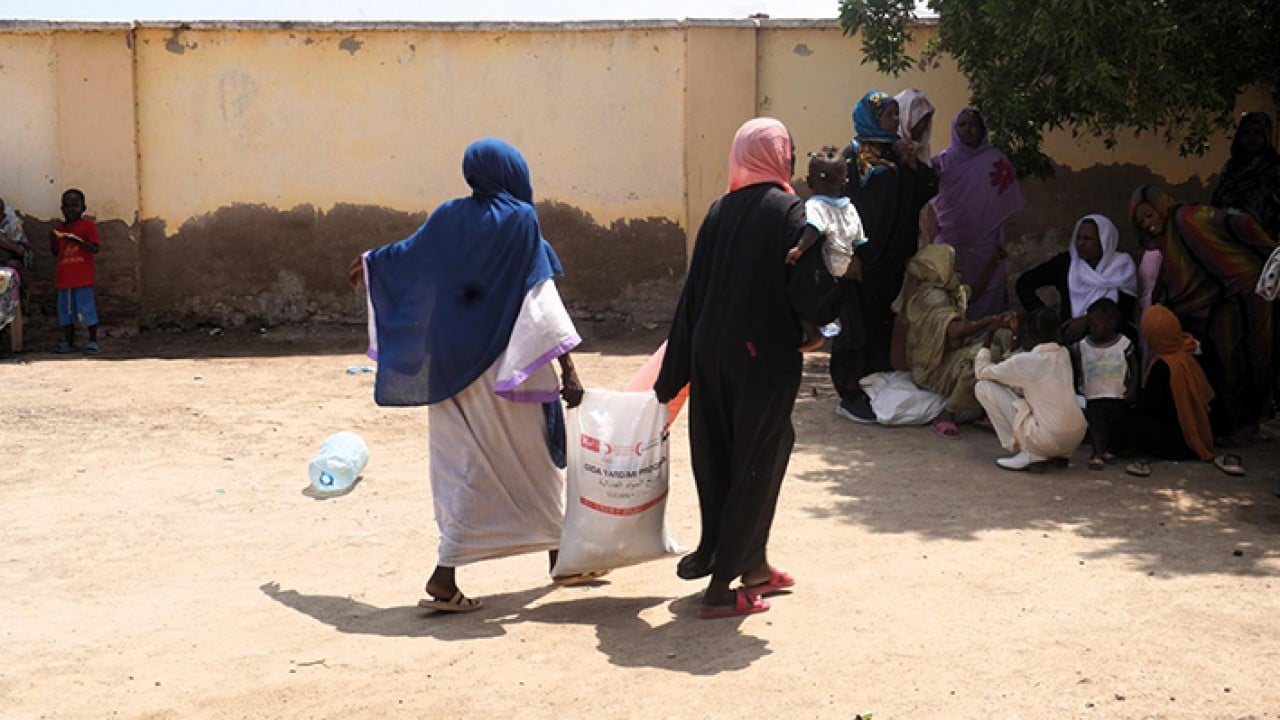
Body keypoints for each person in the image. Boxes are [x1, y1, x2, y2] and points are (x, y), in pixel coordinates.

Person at [352, 138, 587, 613]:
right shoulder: (522, 220)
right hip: (512, 364)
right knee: (535, 461)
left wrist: (370, 265)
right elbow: (538, 295)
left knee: (465, 464)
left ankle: (554, 557)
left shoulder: (447, 217)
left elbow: (408, 255)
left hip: (452, 366)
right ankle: (458, 571)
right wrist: (568, 367)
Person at [655, 117, 808, 620]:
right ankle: (721, 588)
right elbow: (804, 286)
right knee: (755, 460)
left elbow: (692, 293)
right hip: (762, 357)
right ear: (779, 156)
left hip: (711, 354)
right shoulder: (789, 211)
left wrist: (674, 372)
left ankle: (755, 564)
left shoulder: (719, 210)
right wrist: (818, 325)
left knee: (740, 452)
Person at [1129, 184, 1276, 444]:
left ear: (1161, 206)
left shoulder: (1187, 219)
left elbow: (1237, 224)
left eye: (1149, 215)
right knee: (1225, 360)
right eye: (1141, 221)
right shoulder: (1168, 240)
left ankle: (1245, 426)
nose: (1148, 224)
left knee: (1247, 359)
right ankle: (1230, 424)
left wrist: (1270, 252)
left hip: (1246, 292)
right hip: (1221, 301)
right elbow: (1181, 281)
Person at [832, 90, 939, 421]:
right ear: (872, 117)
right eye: (889, 116)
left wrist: (913, 163)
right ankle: (848, 392)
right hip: (862, 261)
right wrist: (846, 254)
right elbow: (835, 207)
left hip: (894, 260)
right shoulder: (852, 157)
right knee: (855, 326)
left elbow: (929, 189)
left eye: (896, 115)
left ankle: (874, 386)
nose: (896, 121)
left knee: (882, 322)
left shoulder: (897, 154)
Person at [890, 244, 1015, 439]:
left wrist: (993, 263)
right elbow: (955, 331)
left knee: (1005, 338)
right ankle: (947, 414)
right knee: (978, 358)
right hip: (932, 370)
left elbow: (975, 292)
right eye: (953, 264)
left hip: (949, 357)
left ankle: (987, 407)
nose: (958, 268)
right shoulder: (930, 297)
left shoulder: (951, 291)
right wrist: (991, 321)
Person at [1113, 305, 1244, 477]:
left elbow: (1150, 407)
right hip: (1206, 430)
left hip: (1182, 442)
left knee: (1124, 420)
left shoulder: (1164, 366)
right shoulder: (1191, 346)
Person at [925, 108, 1025, 319]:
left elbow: (1005, 201)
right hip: (950, 243)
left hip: (986, 243)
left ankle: (990, 341)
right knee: (949, 293)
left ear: (983, 130)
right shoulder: (940, 163)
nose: (968, 130)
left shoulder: (995, 160)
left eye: (973, 125)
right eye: (962, 125)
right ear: (954, 128)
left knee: (989, 292)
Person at [974, 307, 1087, 471]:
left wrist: (990, 333)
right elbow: (1019, 375)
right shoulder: (1063, 354)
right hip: (1075, 436)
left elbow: (981, 372)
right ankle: (1058, 455)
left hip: (1048, 438)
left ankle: (1031, 453)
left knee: (983, 387)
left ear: (1029, 335)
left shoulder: (1027, 361)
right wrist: (1018, 337)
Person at [786, 146, 865, 349]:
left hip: (822, 270)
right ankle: (828, 325)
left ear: (810, 183)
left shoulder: (815, 206)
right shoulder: (850, 208)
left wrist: (799, 249)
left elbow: (813, 230)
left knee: (796, 298)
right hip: (843, 273)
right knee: (831, 305)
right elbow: (859, 239)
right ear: (845, 182)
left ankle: (813, 334)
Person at [1016, 214, 1137, 343]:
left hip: (1114, 344)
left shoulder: (1121, 266)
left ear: (1104, 241)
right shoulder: (1066, 263)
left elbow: (1125, 311)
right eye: (1078, 238)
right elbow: (1024, 283)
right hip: (1071, 343)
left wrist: (1088, 320)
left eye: (1087, 239)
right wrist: (1046, 317)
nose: (1080, 243)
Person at [1071, 298, 1137, 470]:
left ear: (1111, 323)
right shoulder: (1083, 345)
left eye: (1095, 325)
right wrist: (1079, 387)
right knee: (1096, 425)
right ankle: (1096, 453)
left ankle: (1106, 450)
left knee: (1113, 424)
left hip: (1117, 393)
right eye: (1090, 325)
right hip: (1093, 394)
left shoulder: (1124, 344)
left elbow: (1134, 368)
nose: (1091, 329)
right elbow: (1078, 367)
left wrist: (1132, 387)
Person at [1211, 111, 1279, 240]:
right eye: (1246, 133)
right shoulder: (1232, 167)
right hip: (1225, 233)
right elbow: (1218, 200)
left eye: (1257, 133)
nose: (1251, 138)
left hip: (1259, 239)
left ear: (1266, 136)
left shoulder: (1275, 167)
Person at [48, 189, 101, 354]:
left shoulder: (88, 227)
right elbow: (57, 253)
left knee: (87, 310)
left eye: (75, 206)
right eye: (67, 206)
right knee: (66, 312)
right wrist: (53, 241)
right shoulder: (59, 228)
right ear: (62, 208)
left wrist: (76, 241)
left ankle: (92, 340)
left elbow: (94, 248)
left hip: (82, 279)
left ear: (83, 208)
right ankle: (68, 342)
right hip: (64, 280)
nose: (71, 210)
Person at [0, 198, 28, 353]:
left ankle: (5, 339)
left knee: (7, 281)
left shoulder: (12, 225)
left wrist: (9, 247)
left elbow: (25, 251)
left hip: (6, 267)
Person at [894, 88, 935, 169]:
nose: (922, 126)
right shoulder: (889, 151)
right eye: (918, 121)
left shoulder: (921, 152)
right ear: (904, 117)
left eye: (926, 121)